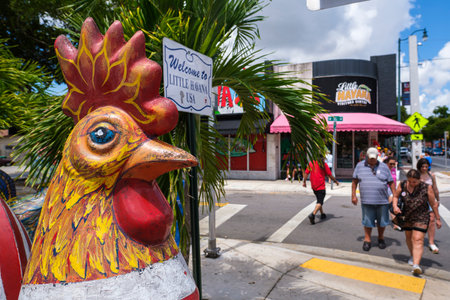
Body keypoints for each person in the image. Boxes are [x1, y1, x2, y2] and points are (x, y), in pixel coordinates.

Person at [392, 169, 441, 275]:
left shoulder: (427, 187)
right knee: (409, 238)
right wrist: (395, 206)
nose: (412, 183)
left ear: (419, 179)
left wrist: (437, 218)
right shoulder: (403, 184)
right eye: (410, 181)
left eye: (414, 181)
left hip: (422, 216)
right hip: (407, 216)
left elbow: (433, 204)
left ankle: (416, 265)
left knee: (418, 239)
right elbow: (395, 196)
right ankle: (412, 255)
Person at [352, 147, 395, 251]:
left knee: (382, 221)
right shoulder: (359, 166)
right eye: (370, 157)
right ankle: (367, 240)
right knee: (367, 221)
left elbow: (391, 182)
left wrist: (395, 197)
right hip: (367, 200)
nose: (372, 159)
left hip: (383, 201)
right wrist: (353, 195)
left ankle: (381, 238)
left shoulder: (384, 167)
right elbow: (354, 181)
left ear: (377, 156)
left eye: (374, 158)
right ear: (366, 156)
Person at [303, 159, 339, 224]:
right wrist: (335, 181)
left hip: (313, 186)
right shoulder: (323, 164)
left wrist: (304, 182)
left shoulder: (312, 163)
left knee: (319, 199)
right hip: (320, 186)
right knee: (320, 201)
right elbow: (329, 175)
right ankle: (313, 215)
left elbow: (306, 173)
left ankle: (322, 214)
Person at [417, 158, 441, 254]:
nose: (424, 168)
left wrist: (438, 199)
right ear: (419, 166)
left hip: (430, 201)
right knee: (419, 221)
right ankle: (418, 239)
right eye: (422, 166)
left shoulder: (431, 176)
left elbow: (435, 188)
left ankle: (431, 242)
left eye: (426, 166)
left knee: (431, 220)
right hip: (418, 202)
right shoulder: (416, 175)